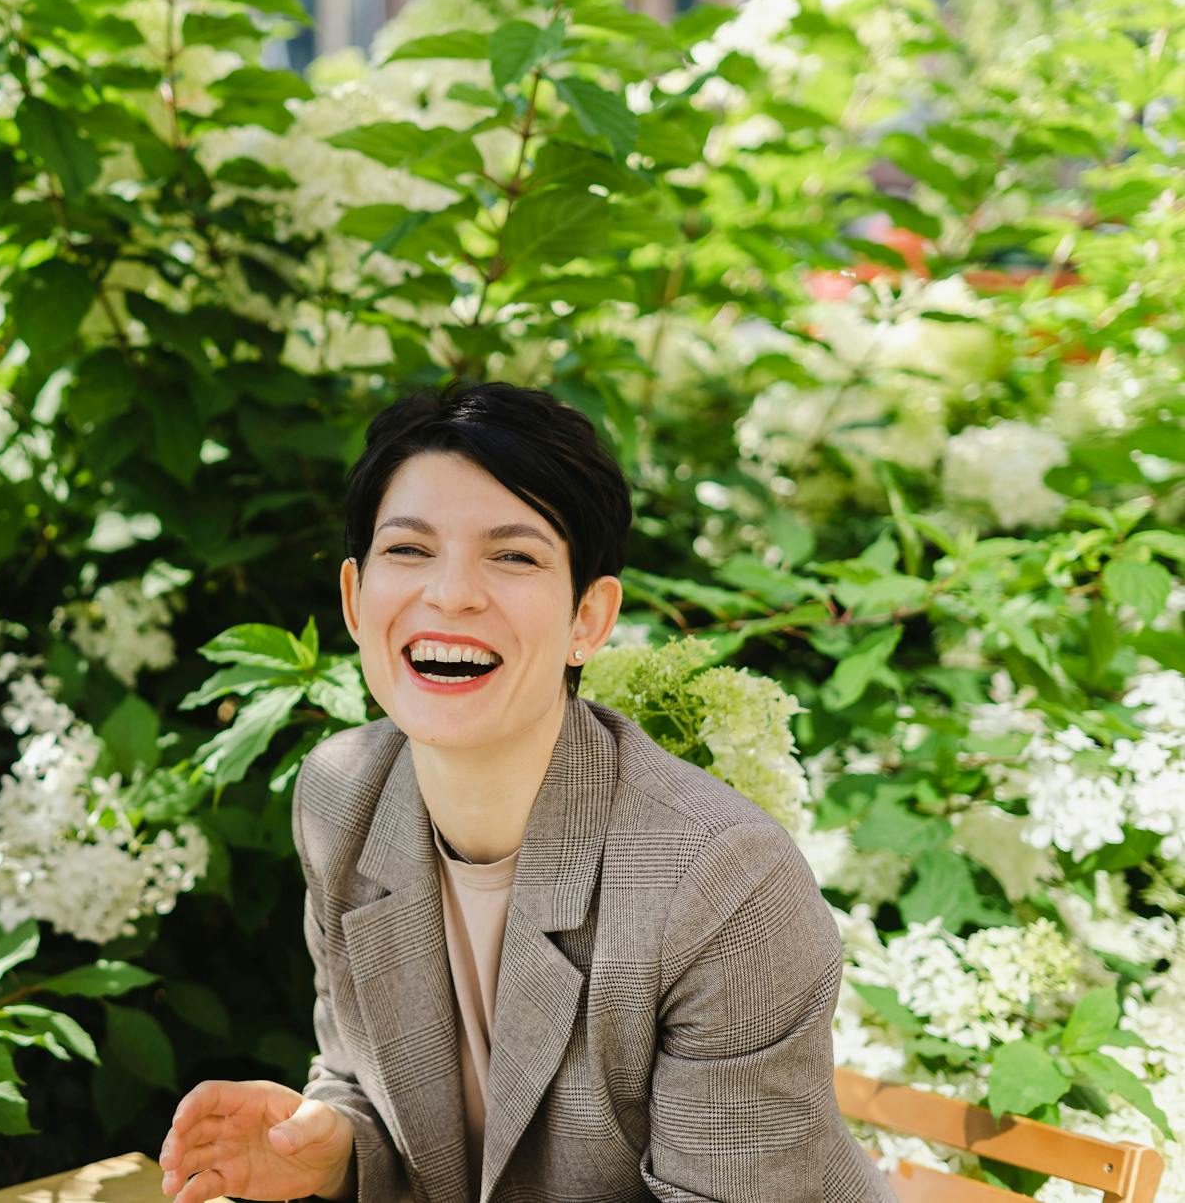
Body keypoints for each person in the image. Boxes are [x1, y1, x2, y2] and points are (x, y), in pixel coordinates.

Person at [158, 381, 897, 1203]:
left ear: (590, 616)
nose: (451, 594)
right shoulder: (341, 798)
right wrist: (335, 1149)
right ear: (354, 601)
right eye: (408, 550)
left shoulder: (723, 884)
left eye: (512, 555)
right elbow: (367, 1083)